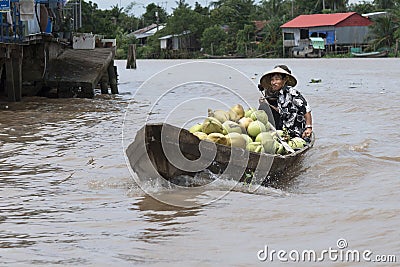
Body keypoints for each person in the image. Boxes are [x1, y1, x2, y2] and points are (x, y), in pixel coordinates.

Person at [258, 65, 313, 139]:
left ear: (285, 80)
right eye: (272, 80)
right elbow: (280, 111)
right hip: (284, 130)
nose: (274, 82)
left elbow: (306, 109)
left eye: (277, 79)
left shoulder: (292, 92)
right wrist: (265, 104)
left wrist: (308, 127)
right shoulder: (280, 94)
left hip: (295, 131)